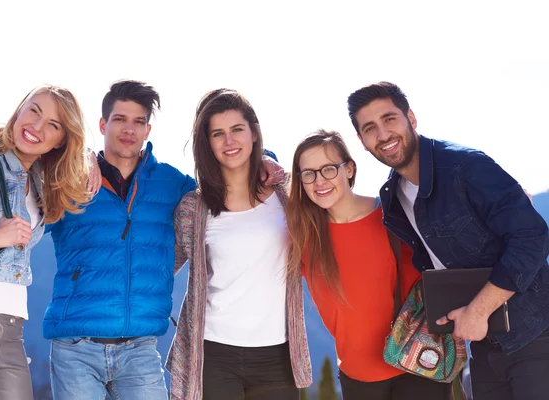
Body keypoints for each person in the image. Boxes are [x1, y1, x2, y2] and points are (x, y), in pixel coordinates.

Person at [347, 81, 549, 400]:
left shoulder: (465, 166)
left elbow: (532, 237)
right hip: (482, 345)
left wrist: (479, 311)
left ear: (411, 118)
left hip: (537, 334)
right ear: (361, 141)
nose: (383, 134)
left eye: (389, 119)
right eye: (370, 128)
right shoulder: (393, 197)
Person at [38, 80, 196, 400]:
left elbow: (227, 182)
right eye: (120, 119)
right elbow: (23, 160)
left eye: (138, 122)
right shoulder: (71, 178)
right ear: (102, 124)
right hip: (75, 348)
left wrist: (265, 157)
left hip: (140, 349)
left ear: (148, 129)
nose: (129, 130)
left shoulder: (171, 183)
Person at [167, 88, 312, 400]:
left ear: (254, 133)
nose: (229, 141)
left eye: (237, 130)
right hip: (214, 355)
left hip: (278, 355)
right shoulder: (194, 207)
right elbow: (162, 266)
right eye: (218, 133)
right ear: (207, 143)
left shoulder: (288, 195)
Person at [285, 129, 451, 399]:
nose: (319, 181)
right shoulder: (303, 236)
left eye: (328, 169)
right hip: (357, 377)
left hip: (418, 365)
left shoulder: (394, 216)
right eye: (308, 173)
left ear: (349, 169)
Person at [0, 85, 90, 400]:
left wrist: (89, 161)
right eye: (34, 111)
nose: (36, 127)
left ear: (62, 140)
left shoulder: (40, 184)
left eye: (53, 125)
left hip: (12, 331)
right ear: (20, 108)